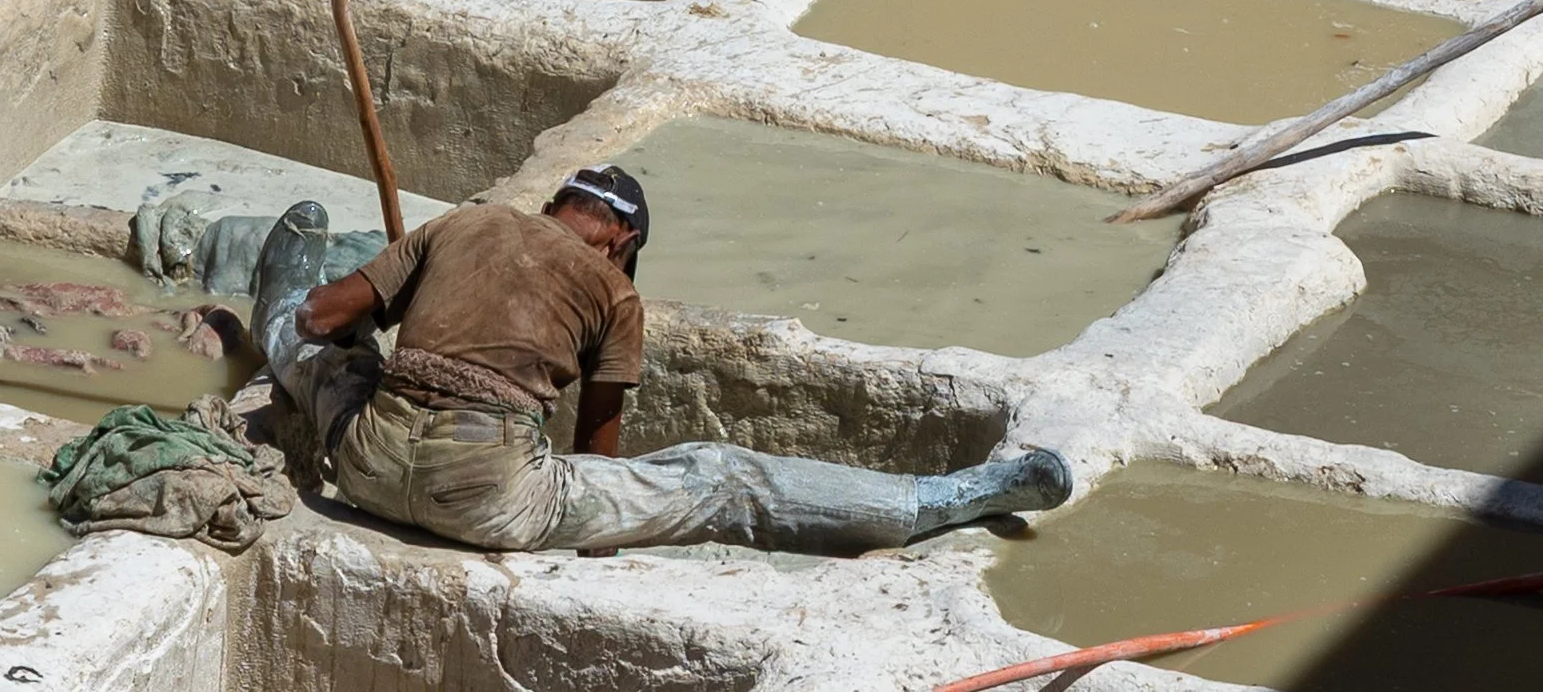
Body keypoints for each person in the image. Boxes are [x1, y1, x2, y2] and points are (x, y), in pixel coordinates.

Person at [250, 165, 1072, 554]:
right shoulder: (614, 288)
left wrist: (374, 328)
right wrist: (597, 530)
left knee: (327, 358)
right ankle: (951, 496)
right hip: (488, 502)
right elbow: (595, 447)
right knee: (723, 476)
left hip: (364, 465)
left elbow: (327, 316)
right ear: (624, 239)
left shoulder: (463, 222)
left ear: (556, 207)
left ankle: (266, 301)